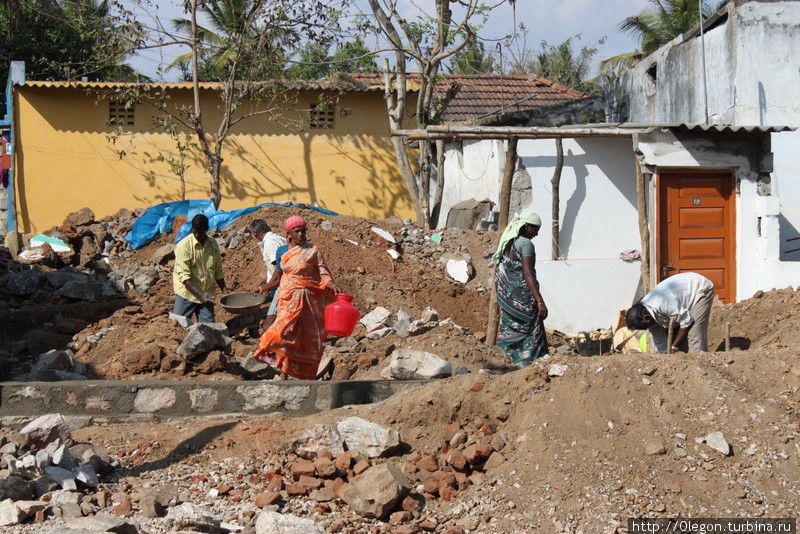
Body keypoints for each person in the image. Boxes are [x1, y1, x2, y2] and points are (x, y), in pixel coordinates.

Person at [253, 215, 337, 380]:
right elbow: (278, 277)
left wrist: (332, 285)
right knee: (281, 335)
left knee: (302, 339)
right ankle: (281, 370)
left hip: (308, 302)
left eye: (303, 231)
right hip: (286, 300)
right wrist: (263, 287)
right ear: (289, 233)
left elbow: (323, 272)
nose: (301, 234)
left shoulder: (313, 251)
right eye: (297, 231)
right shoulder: (282, 252)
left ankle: (295, 376)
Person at [493, 212, 548, 366]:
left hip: (508, 295)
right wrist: (540, 301)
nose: (537, 233)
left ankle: (507, 359)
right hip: (523, 296)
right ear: (526, 226)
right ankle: (529, 362)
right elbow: (527, 272)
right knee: (531, 326)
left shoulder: (509, 242)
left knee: (510, 325)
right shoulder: (525, 244)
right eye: (535, 229)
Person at [625, 272, 714, 353]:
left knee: (694, 332)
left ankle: (698, 364)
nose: (648, 329)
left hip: (699, 288)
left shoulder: (662, 303)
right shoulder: (648, 316)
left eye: (645, 327)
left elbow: (686, 321)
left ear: (648, 317)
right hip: (680, 298)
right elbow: (661, 344)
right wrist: (667, 353)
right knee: (676, 338)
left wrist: (674, 345)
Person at [172, 214, 226, 323]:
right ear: (192, 229)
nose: (197, 235)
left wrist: (225, 290)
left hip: (206, 292)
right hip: (187, 293)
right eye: (194, 231)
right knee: (177, 325)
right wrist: (200, 294)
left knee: (208, 328)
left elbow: (218, 270)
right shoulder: (184, 246)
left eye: (200, 232)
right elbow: (184, 277)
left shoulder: (213, 244)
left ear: (206, 230)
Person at [250, 219, 286, 291]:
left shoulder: (269, 243)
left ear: (254, 234)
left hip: (283, 285)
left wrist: (267, 287)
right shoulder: (277, 238)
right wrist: (266, 281)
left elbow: (279, 268)